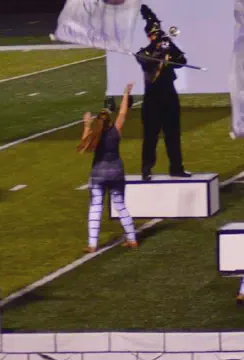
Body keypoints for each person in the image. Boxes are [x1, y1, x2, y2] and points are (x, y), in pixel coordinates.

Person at [77, 83, 137, 253]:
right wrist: (125, 94)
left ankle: (92, 244)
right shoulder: (116, 130)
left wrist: (87, 125)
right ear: (110, 121)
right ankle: (132, 239)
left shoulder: (95, 135)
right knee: (120, 205)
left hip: (98, 174)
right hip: (117, 171)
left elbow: (83, 147)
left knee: (96, 207)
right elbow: (124, 112)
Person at [136, 4, 191, 181]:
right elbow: (146, 61)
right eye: (155, 34)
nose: (158, 36)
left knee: (173, 134)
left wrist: (170, 52)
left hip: (169, 96)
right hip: (152, 99)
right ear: (149, 36)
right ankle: (146, 169)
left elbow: (182, 60)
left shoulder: (168, 47)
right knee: (150, 136)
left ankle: (176, 168)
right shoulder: (144, 52)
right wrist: (161, 51)